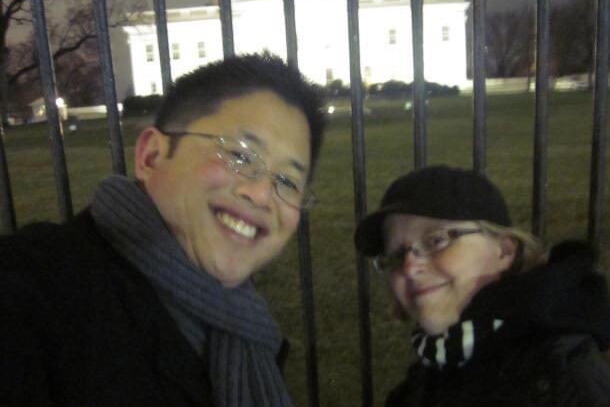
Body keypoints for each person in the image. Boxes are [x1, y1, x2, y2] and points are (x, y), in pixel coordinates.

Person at [1, 53, 325, 407]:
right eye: (241, 156)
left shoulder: (248, 327)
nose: (262, 195)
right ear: (151, 156)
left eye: (287, 181)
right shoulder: (34, 294)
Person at [355, 165, 610, 407]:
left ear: (505, 250)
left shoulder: (560, 378)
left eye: (437, 240)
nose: (409, 267)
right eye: (396, 256)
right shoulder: (436, 367)